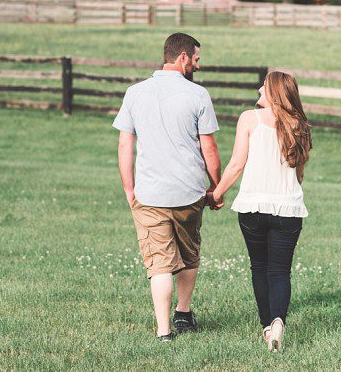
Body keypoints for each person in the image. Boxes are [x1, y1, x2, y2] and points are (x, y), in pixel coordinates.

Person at [113, 32, 222, 342]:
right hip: (189, 192)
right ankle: (184, 314)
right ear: (182, 58)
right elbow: (209, 149)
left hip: (149, 194)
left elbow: (125, 144)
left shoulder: (135, 93)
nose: (198, 66)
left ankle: (164, 332)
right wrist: (216, 188)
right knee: (188, 254)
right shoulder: (198, 95)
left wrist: (128, 188)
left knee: (159, 264)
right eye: (197, 59)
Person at [209, 71, 312, 352]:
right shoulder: (300, 126)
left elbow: (236, 166)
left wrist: (215, 195)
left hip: (253, 208)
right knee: (280, 271)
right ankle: (279, 320)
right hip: (289, 210)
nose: (259, 89)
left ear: (275, 93)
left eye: (264, 87)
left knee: (260, 267)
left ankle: (268, 326)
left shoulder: (249, 119)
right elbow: (299, 175)